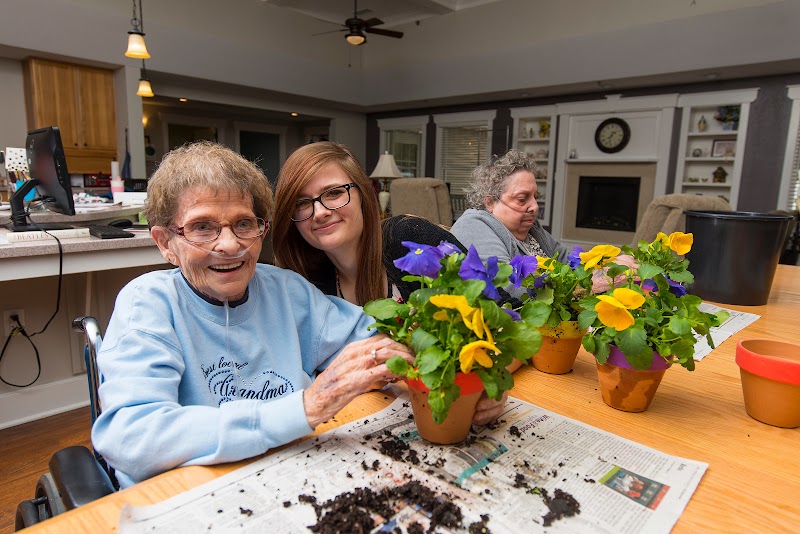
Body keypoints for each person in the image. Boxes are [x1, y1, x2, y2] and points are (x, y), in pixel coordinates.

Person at [91, 142, 414, 487]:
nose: (229, 245)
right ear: (165, 242)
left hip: (296, 472)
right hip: (194, 490)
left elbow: (377, 341)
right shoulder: (149, 304)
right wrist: (305, 408)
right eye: (202, 227)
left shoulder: (287, 291)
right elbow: (134, 438)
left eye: (244, 224)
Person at [271, 141, 506, 424]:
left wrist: (493, 380)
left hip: (449, 412)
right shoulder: (306, 283)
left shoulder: (407, 238)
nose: (319, 211)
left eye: (333, 193)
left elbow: (507, 317)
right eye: (301, 203)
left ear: (363, 194)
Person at [451, 149, 636, 298]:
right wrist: (592, 283)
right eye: (522, 199)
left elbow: (566, 259)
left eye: (535, 197)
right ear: (490, 202)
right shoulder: (473, 226)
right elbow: (508, 289)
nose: (534, 207)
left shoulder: (531, 228)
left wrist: (606, 262)